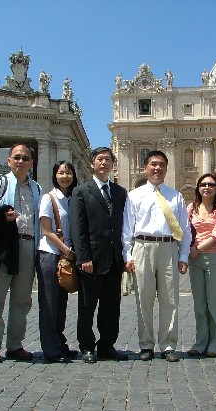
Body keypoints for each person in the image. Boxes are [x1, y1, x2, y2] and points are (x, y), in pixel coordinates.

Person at [0, 143, 41, 363]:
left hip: (28, 246)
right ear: (9, 161)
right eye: (17, 157)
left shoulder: (37, 189)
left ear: (31, 163)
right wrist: (1, 218)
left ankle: (15, 344)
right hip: (2, 247)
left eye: (25, 158)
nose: (21, 161)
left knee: (22, 299)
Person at [122, 150, 191, 362]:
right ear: (145, 167)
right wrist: (128, 255)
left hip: (169, 248)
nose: (157, 168)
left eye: (161, 164)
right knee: (144, 298)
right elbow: (127, 227)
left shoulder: (175, 196)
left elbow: (185, 229)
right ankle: (146, 344)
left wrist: (184, 255)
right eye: (153, 164)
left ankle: (168, 345)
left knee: (170, 299)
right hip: (142, 247)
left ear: (166, 168)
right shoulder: (134, 196)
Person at [70, 147, 128, 363]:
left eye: (108, 159)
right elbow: (78, 227)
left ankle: (107, 345)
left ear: (113, 164)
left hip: (114, 259)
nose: (104, 162)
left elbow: (124, 226)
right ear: (92, 164)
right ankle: (86, 346)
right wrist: (83, 257)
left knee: (111, 307)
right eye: (100, 159)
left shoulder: (120, 192)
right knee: (87, 306)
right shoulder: (81, 191)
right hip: (91, 259)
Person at [36, 161, 79, 363]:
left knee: (61, 303)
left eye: (68, 173)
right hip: (51, 254)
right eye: (61, 173)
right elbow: (46, 230)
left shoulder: (72, 199)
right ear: (55, 176)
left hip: (66, 256)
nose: (65, 176)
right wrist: (67, 250)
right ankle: (51, 349)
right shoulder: (48, 198)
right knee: (49, 304)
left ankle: (60, 343)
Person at [186, 173, 216, 358]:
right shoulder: (191, 207)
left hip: (214, 257)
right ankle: (200, 342)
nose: (207, 187)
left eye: (211, 184)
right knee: (199, 304)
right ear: (198, 187)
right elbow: (184, 230)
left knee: (215, 303)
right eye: (203, 184)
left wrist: (197, 249)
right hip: (194, 259)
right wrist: (187, 250)